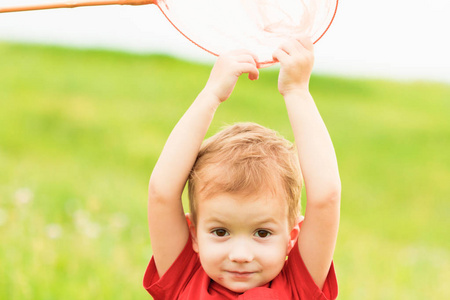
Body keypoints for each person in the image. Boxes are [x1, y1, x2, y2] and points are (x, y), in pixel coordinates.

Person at [143, 36, 341, 299]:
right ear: (194, 235)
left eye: (262, 233)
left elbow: (326, 197)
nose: (240, 255)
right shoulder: (184, 278)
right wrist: (210, 94)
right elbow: (161, 193)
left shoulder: (298, 287)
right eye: (220, 232)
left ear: (291, 237)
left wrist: (297, 91)